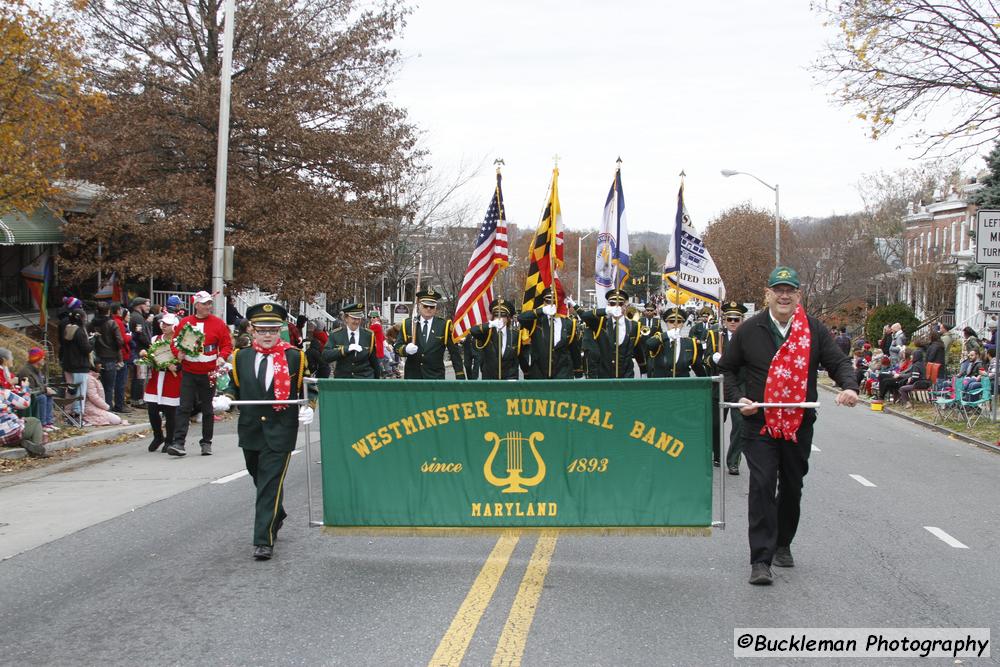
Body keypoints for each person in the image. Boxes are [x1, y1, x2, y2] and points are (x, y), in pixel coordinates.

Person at [719, 266, 858, 586]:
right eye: (778, 290)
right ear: (767, 294)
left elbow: (838, 362)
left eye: (790, 291)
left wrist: (849, 386)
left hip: (798, 422)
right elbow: (726, 370)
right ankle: (761, 559)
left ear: (799, 296)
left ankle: (783, 543)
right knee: (763, 484)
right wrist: (739, 399)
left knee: (792, 486)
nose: (784, 296)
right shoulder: (749, 329)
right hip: (759, 424)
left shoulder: (814, 330)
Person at [215, 302, 312, 561]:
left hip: (281, 430)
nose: (268, 335)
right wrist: (225, 397)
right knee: (258, 477)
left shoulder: (295, 356)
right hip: (251, 429)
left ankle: (263, 540)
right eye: (262, 330)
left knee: (269, 484)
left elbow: (308, 388)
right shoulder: (241, 357)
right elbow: (234, 387)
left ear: (280, 330)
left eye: (273, 330)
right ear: (252, 331)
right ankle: (276, 513)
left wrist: (309, 407)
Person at [166, 290, 233, 457]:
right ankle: (179, 443)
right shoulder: (186, 322)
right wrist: (177, 353)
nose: (208, 306)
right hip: (189, 371)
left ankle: (206, 442)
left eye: (210, 303)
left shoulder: (218, 324)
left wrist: (222, 357)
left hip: (209, 372)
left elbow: (226, 344)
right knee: (184, 407)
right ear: (196, 305)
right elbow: (175, 342)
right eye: (205, 303)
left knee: (207, 409)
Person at [394, 288, 466, 380]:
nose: (428, 309)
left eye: (432, 306)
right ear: (419, 306)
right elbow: (397, 348)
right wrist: (405, 349)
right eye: (425, 306)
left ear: (436, 308)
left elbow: (454, 352)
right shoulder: (408, 324)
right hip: (413, 376)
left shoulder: (444, 325)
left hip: (435, 377)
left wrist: (460, 375)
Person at [574, 289, 640, 378]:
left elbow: (637, 349)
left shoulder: (634, 325)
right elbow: (585, 316)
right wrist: (606, 311)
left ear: (625, 306)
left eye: (620, 304)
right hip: (605, 375)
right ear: (608, 305)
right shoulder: (601, 323)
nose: (616, 307)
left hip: (626, 375)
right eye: (612, 304)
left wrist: (643, 371)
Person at [519, 287, 583, 379]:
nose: (551, 303)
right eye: (548, 300)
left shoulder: (568, 323)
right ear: (543, 302)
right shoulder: (536, 322)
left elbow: (573, 348)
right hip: (539, 371)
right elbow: (521, 318)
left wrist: (578, 369)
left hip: (562, 372)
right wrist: (541, 310)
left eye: (554, 300)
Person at [141, 312, 182, 452]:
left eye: (168, 324)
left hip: (171, 380)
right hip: (156, 378)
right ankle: (158, 436)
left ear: (174, 326)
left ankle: (170, 440)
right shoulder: (155, 339)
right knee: (152, 409)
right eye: (163, 324)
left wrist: (175, 365)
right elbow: (152, 355)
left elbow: (183, 361)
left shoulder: (179, 342)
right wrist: (146, 356)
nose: (164, 326)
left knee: (170, 412)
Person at [716, 301, 748, 475]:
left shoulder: (749, 338)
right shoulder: (715, 337)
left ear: (742, 320)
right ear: (724, 320)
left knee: (740, 424)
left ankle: (733, 460)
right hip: (719, 384)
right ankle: (713, 456)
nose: (733, 322)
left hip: (739, 386)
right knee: (714, 424)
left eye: (736, 319)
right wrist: (712, 359)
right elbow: (702, 359)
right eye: (730, 318)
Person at [467, 297, 522, 380]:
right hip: (490, 379)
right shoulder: (487, 333)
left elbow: (516, 360)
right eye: (496, 315)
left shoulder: (514, 334)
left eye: (503, 315)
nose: (499, 318)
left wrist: (514, 377)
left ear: (508, 318)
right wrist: (490, 324)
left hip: (509, 379)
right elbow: (473, 331)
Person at [322, 303, 381, 378]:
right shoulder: (336, 334)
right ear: (346, 318)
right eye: (354, 318)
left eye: (359, 319)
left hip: (364, 379)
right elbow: (325, 356)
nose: (357, 322)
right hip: (343, 380)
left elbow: (374, 361)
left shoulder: (369, 335)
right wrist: (345, 349)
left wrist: (376, 381)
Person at [641, 307, 702, 378]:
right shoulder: (660, 340)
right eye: (671, 321)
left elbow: (698, 368)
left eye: (679, 322)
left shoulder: (690, 343)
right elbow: (648, 344)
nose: (675, 324)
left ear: (683, 324)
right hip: (661, 385)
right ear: (666, 323)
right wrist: (667, 335)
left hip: (681, 385)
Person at [91, 301, 125, 415]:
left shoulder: (92, 323)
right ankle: (108, 409)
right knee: (109, 387)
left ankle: (99, 409)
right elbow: (120, 341)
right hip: (110, 356)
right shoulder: (112, 323)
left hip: (95, 357)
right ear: (109, 311)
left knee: (97, 387)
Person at [0, 376, 46, 456]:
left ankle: (24, 442)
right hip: (10, 434)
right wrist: (25, 388)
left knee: (19, 424)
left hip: (1, 440)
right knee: (35, 422)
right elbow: (25, 404)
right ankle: (37, 450)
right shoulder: (4, 393)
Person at [129, 297, 153, 408]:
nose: (148, 308)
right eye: (146, 305)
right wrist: (149, 344)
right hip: (140, 350)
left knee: (138, 376)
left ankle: (135, 399)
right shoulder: (137, 318)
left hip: (138, 349)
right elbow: (140, 334)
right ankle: (138, 400)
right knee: (140, 376)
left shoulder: (137, 317)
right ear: (140, 305)